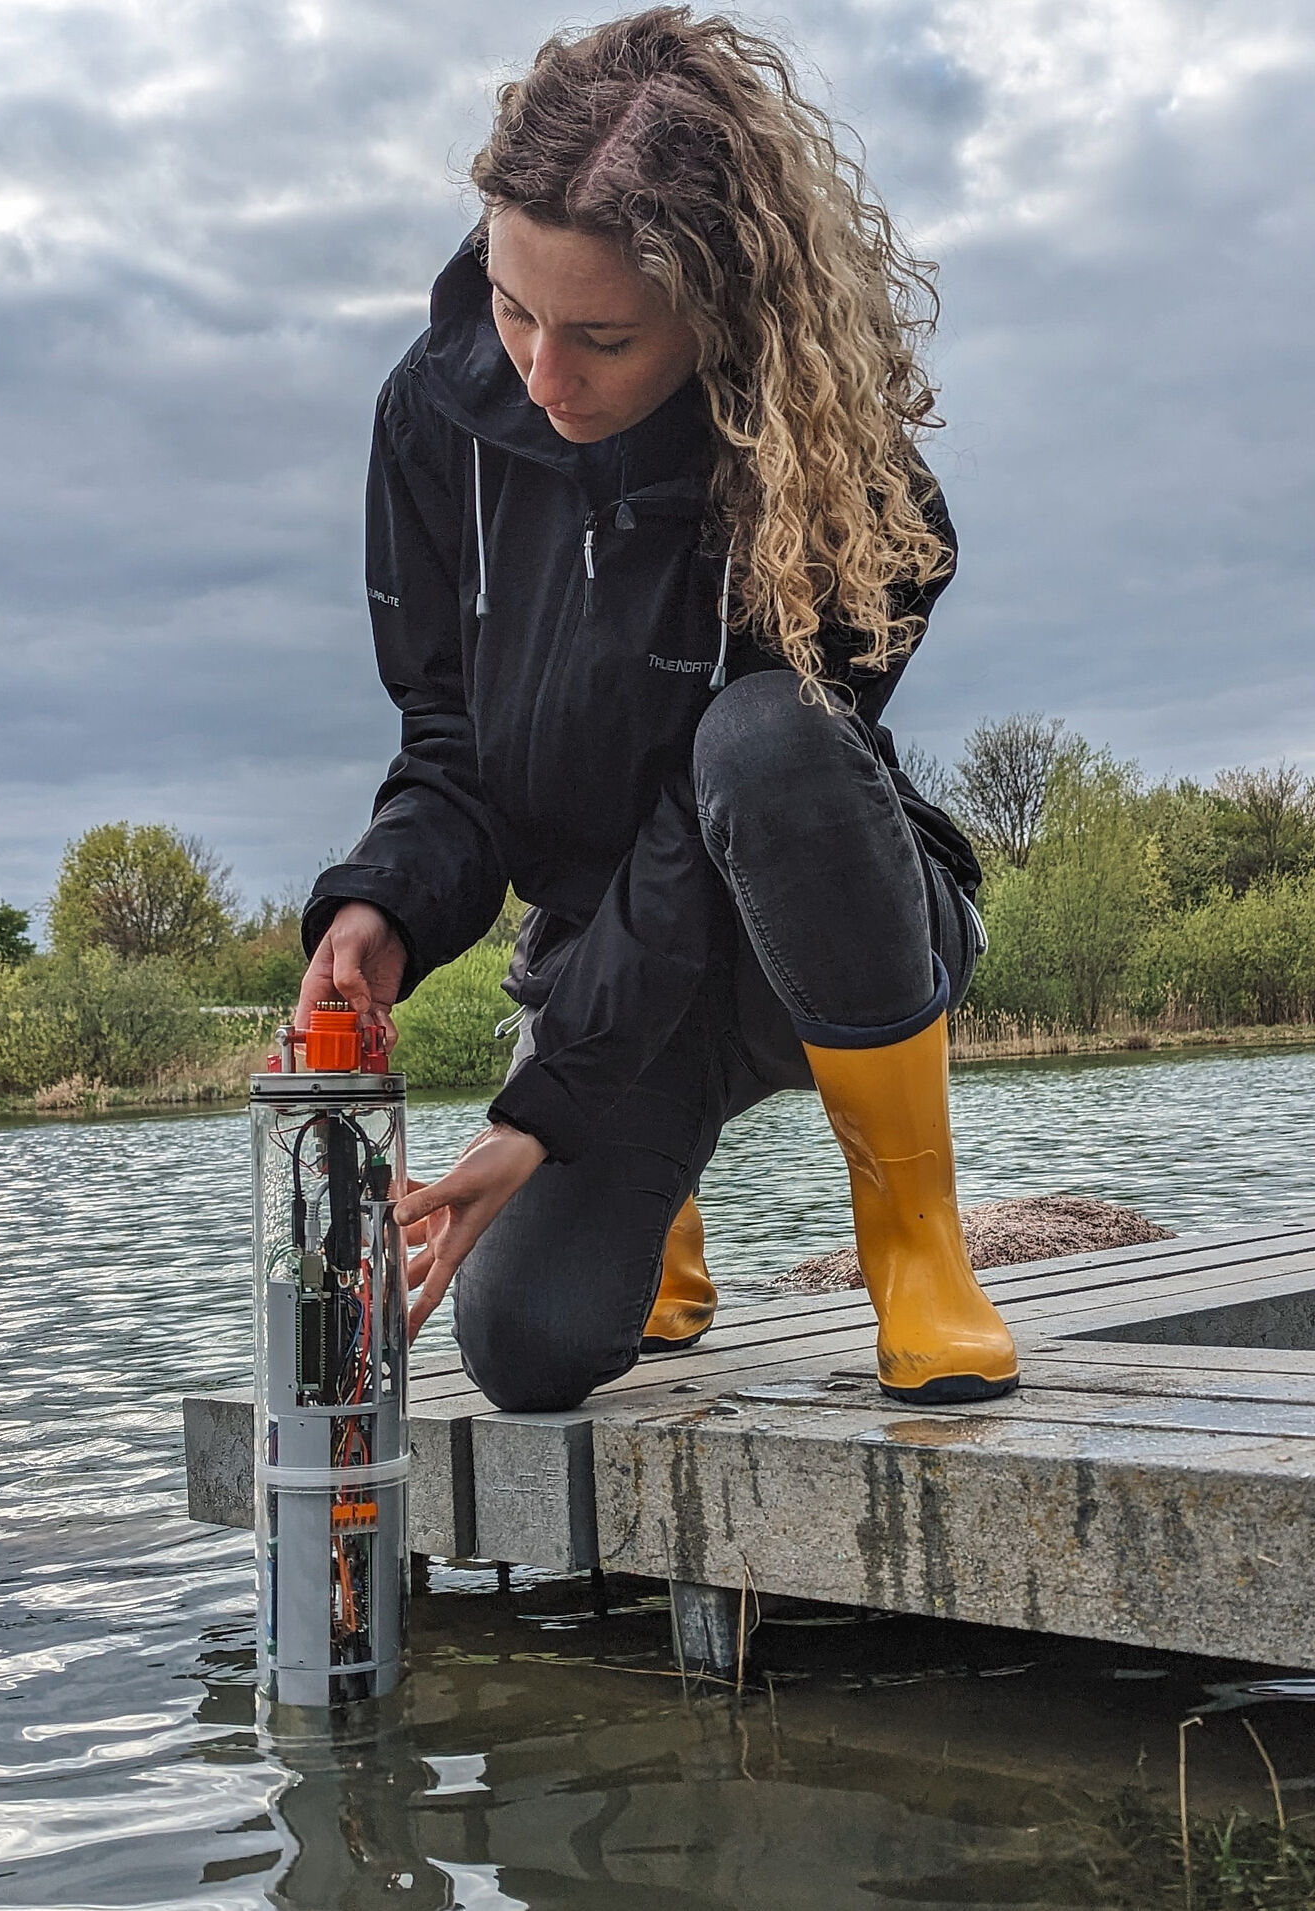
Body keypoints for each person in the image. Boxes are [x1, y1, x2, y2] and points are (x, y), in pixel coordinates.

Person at [296, 7, 1019, 1412]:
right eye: (514, 309)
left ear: (720, 313)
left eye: (604, 338)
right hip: (607, 954)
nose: (540, 377)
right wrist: (380, 900)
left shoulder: (854, 484)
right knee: (528, 1355)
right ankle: (656, 1211)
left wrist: (538, 1107)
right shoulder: (433, 415)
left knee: (770, 744)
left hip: (820, 919)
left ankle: (917, 1245)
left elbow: (703, 829)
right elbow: (446, 750)